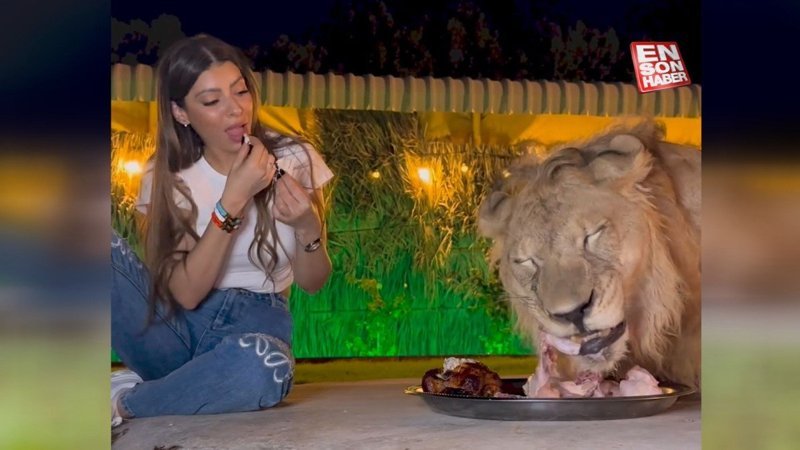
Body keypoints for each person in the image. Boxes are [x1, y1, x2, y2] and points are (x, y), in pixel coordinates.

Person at [111, 34, 334, 427]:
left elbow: (313, 282)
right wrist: (232, 200)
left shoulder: (295, 158)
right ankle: (179, 383)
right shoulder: (165, 176)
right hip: (173, 329)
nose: (235, 110)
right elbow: (186, 293)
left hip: (255, 329)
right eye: (212, 101)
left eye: (241, 92)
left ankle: (128, 400)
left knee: (267, 367)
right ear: (181, 113)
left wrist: (306, 225)